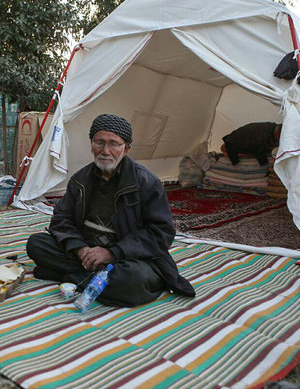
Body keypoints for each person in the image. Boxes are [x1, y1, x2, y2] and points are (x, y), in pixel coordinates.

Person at [26, 114, 195, 307]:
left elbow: (161, 234)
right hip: (87, 251)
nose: (105, 151)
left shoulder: (147, 183)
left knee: (133, 279)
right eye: (100, 142)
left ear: (126, 148)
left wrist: (113, 253)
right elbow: (61, 220)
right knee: (36, 244)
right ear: (91, 144)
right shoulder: (80, 180)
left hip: (127, 258)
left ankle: (70, 276)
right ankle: (93, 278)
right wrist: (81, 250)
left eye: (114, 144)